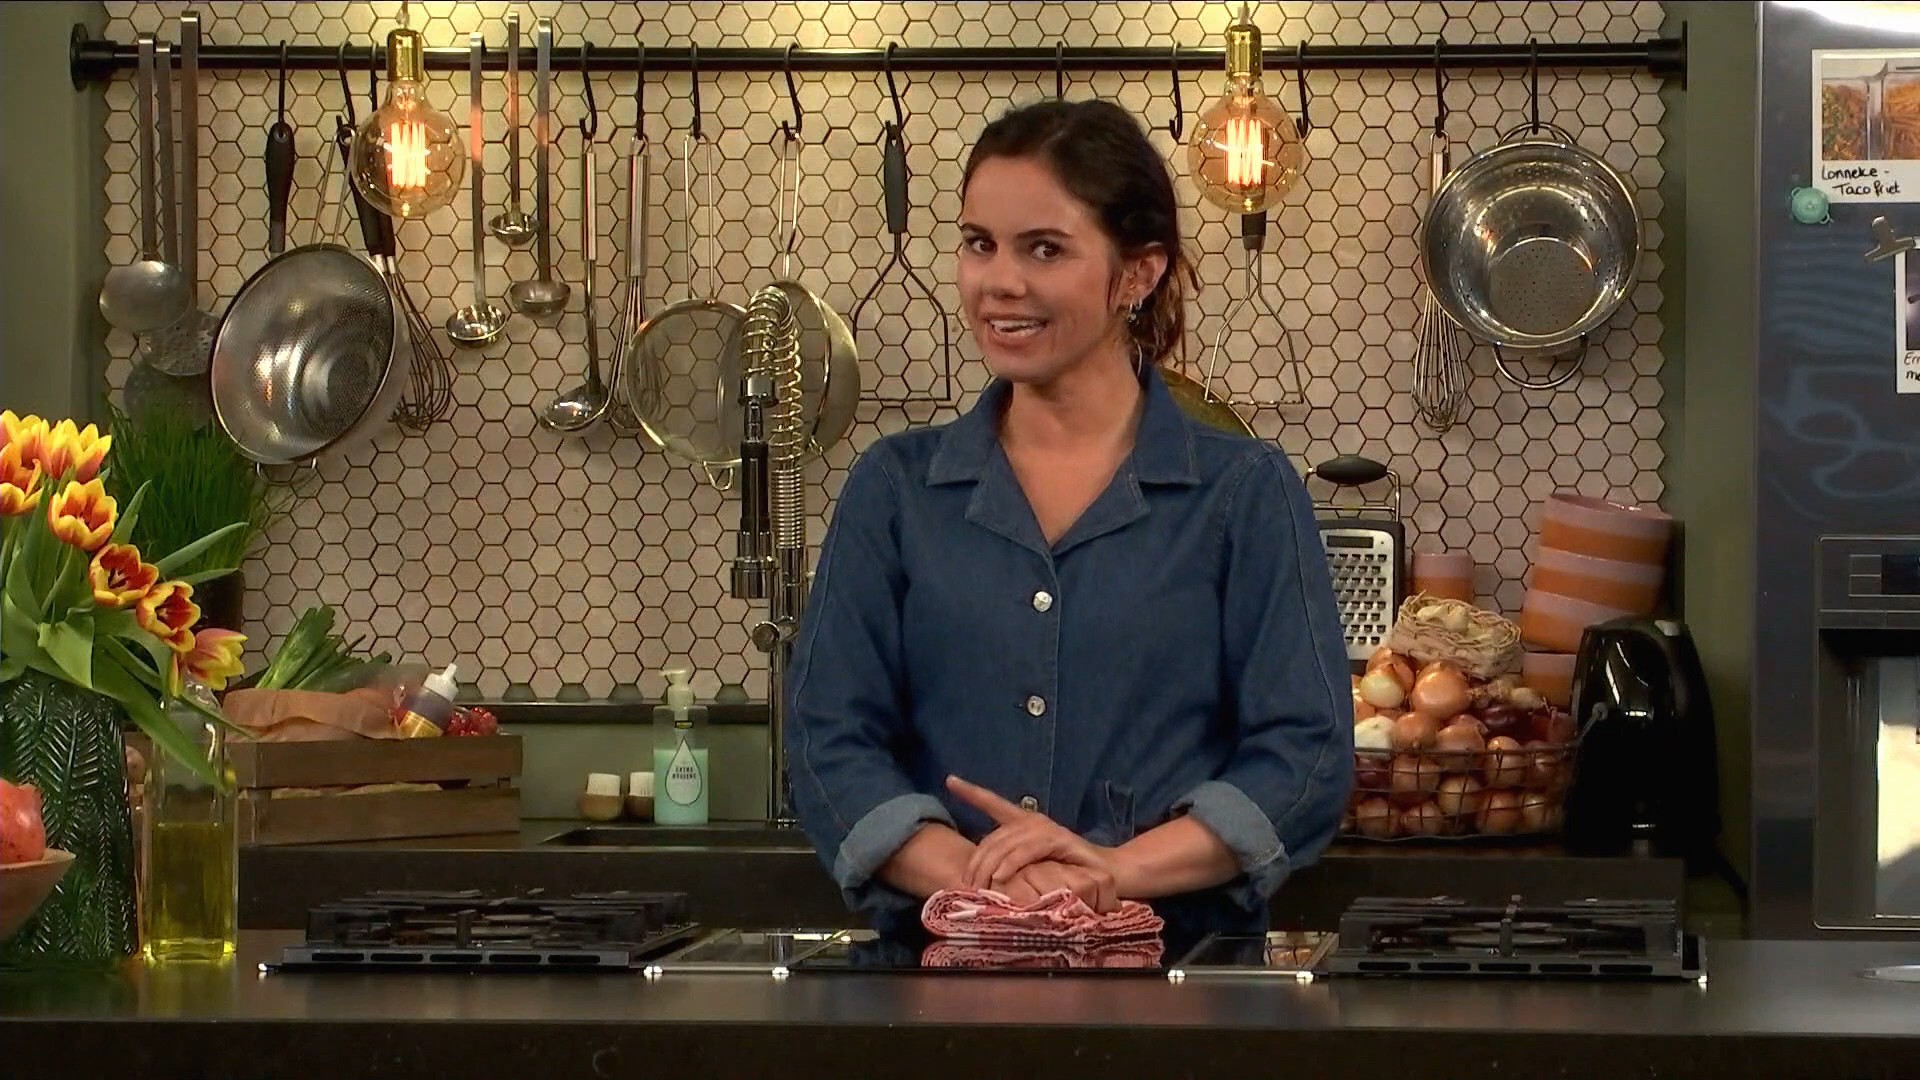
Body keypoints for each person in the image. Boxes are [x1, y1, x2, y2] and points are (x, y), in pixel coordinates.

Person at [785, 97, 1353, 937]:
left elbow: (1304, 753)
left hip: (1177, 979)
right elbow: (829, 739)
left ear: (1139, 273)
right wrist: (986, 882)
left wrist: (1112, 872)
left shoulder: (1244, 492)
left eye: (1044, 249)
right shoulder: (895, 490)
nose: (1000, 282)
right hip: (936, 976)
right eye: (979, 244)